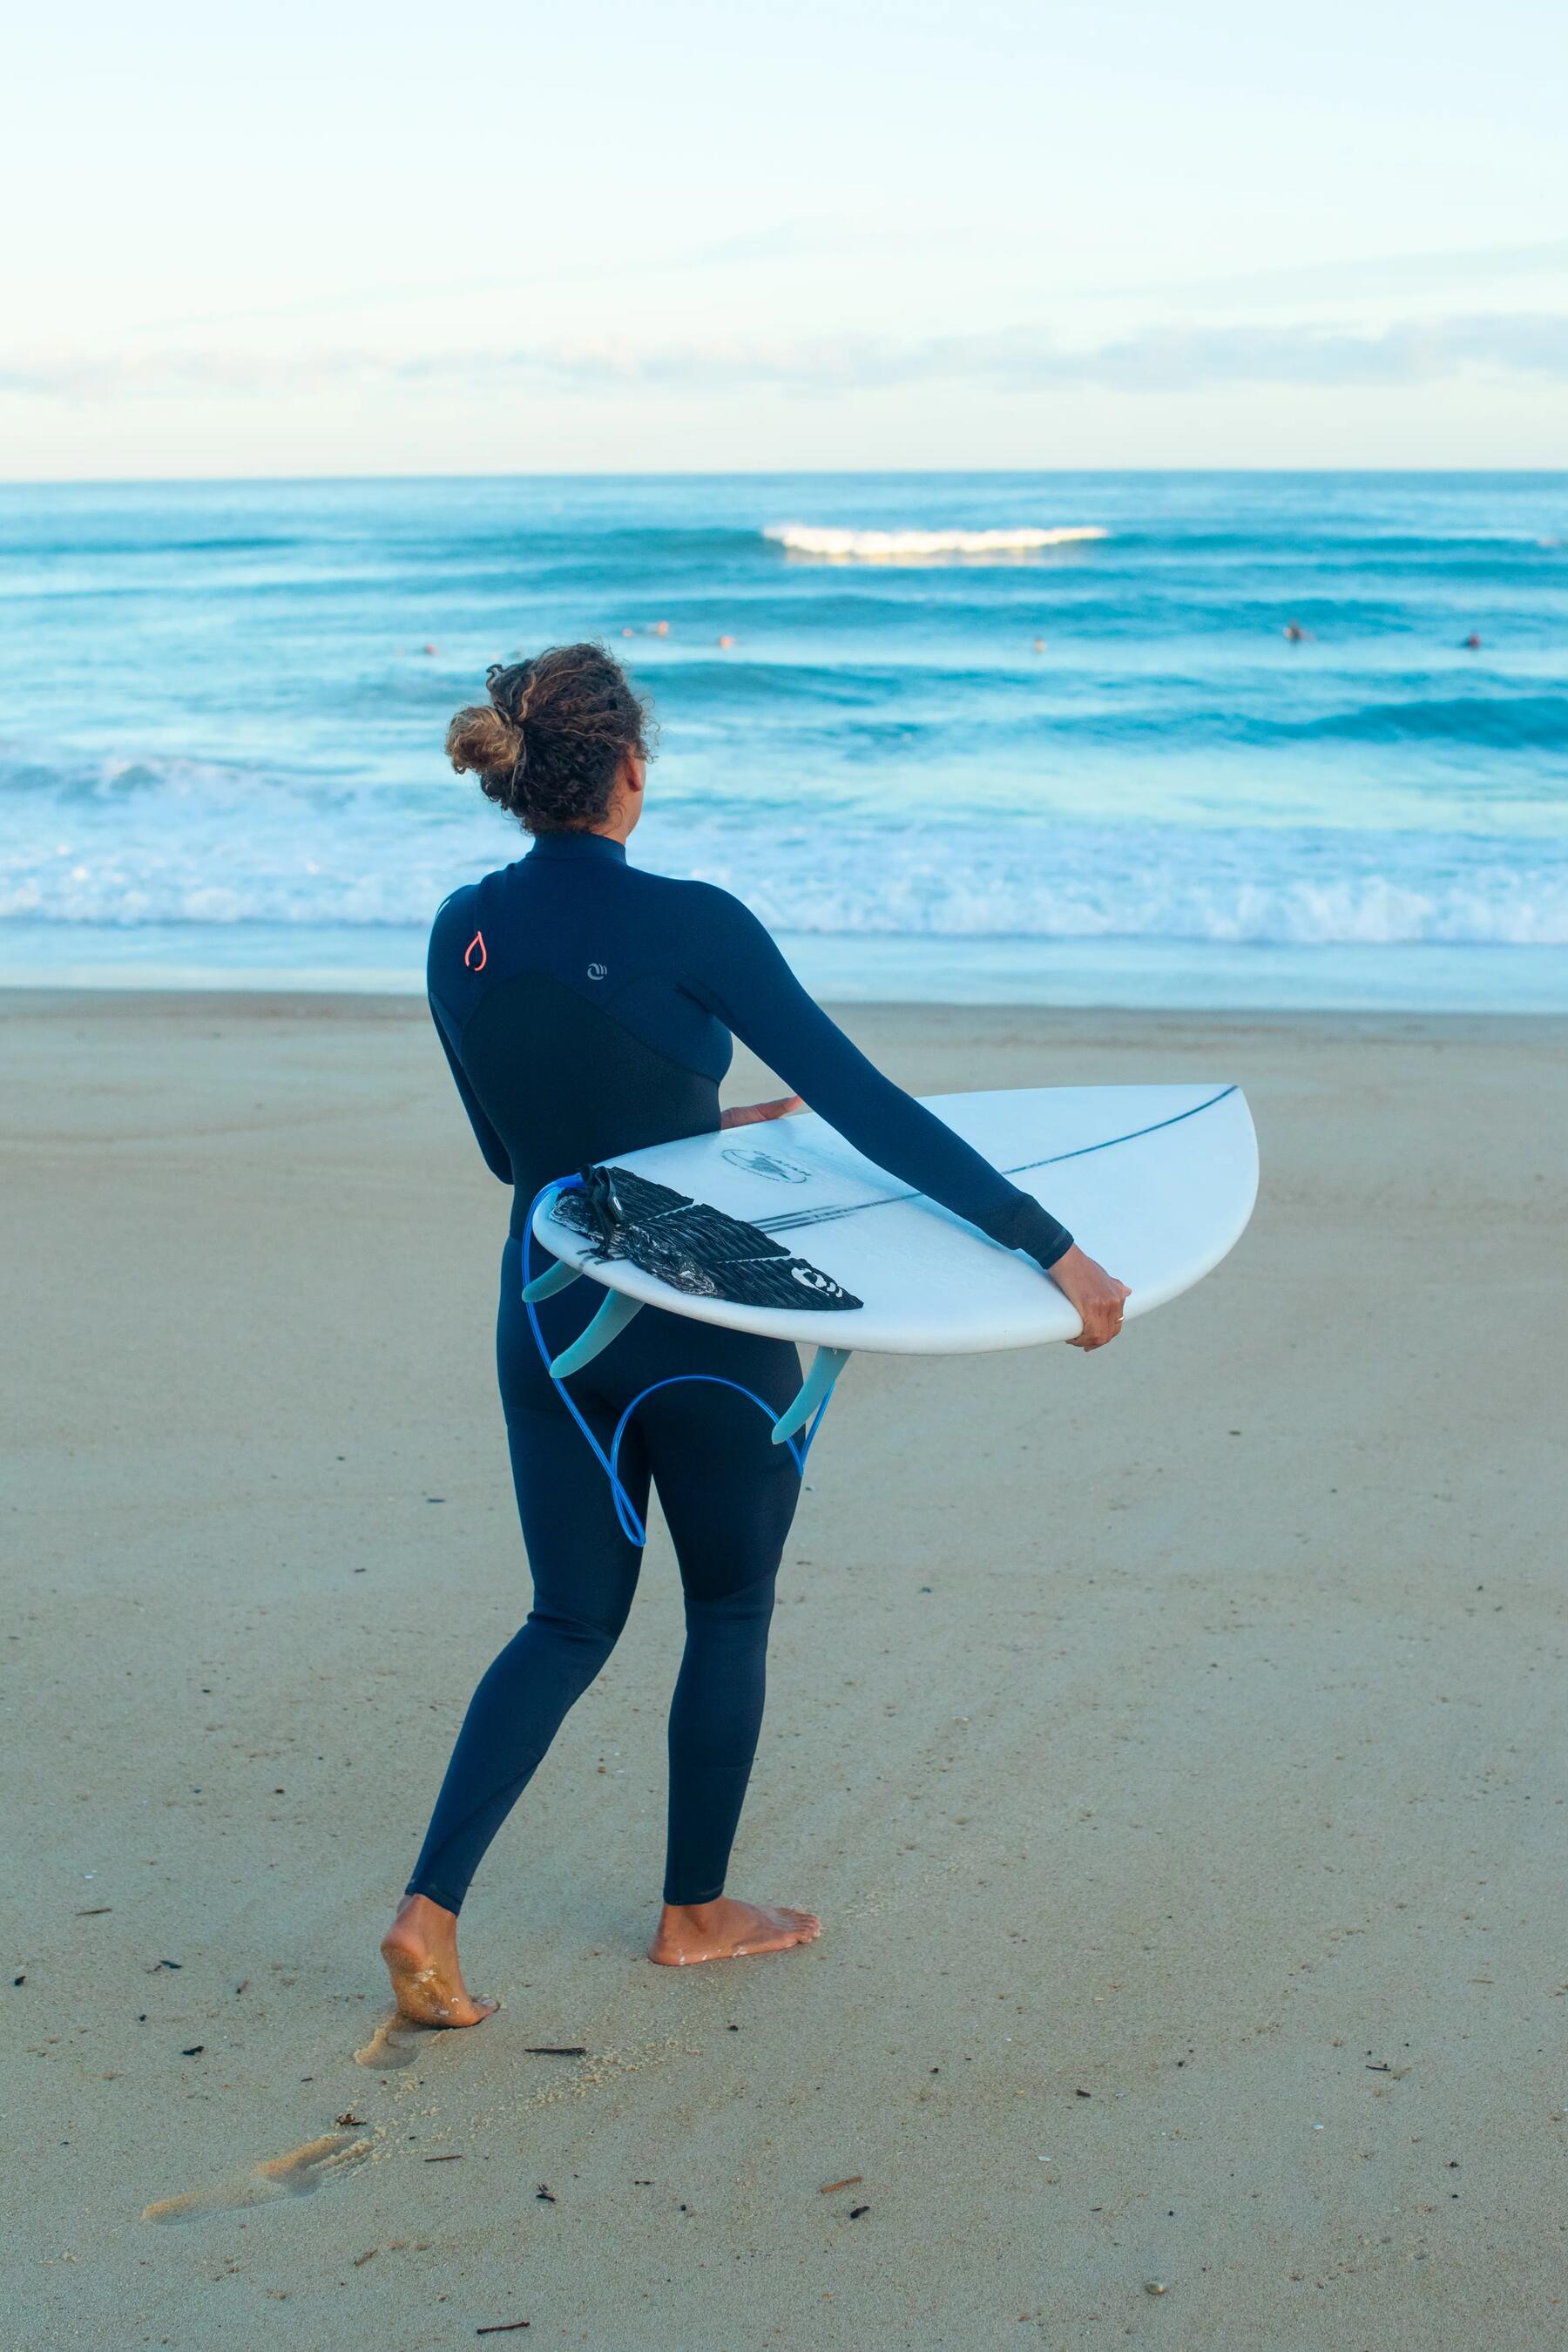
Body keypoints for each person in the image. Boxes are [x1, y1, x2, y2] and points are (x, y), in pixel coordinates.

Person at [381, 644, 1129, 2025]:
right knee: (725, 1606)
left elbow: (518, 1155)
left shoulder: (455, 930)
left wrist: (692, 1125)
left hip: (545, 1320)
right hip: (703, 1323)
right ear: (629, 770)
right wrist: (1051, 1248)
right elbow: (866, 1106)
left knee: (564, 1617)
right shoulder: (700, 921)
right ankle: (695, 1914)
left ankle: (428, 1912)